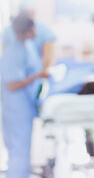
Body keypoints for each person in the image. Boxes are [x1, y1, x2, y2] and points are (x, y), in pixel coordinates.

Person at [1, 13, 48, 178]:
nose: (36, 31)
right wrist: (37, 76)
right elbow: (11, 84)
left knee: (21, 152)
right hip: (16, 109)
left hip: (22, 107)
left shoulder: (25, 47)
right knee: (18, 153)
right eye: (33, 28)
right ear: (25, 31)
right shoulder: (13, 52)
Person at [2, 0, 56, 74]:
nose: (35, 34)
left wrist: (43, 73)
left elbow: (48, 59)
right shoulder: (11, 36)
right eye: (27, 13)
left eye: (32, 13)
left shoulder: (43, 32)